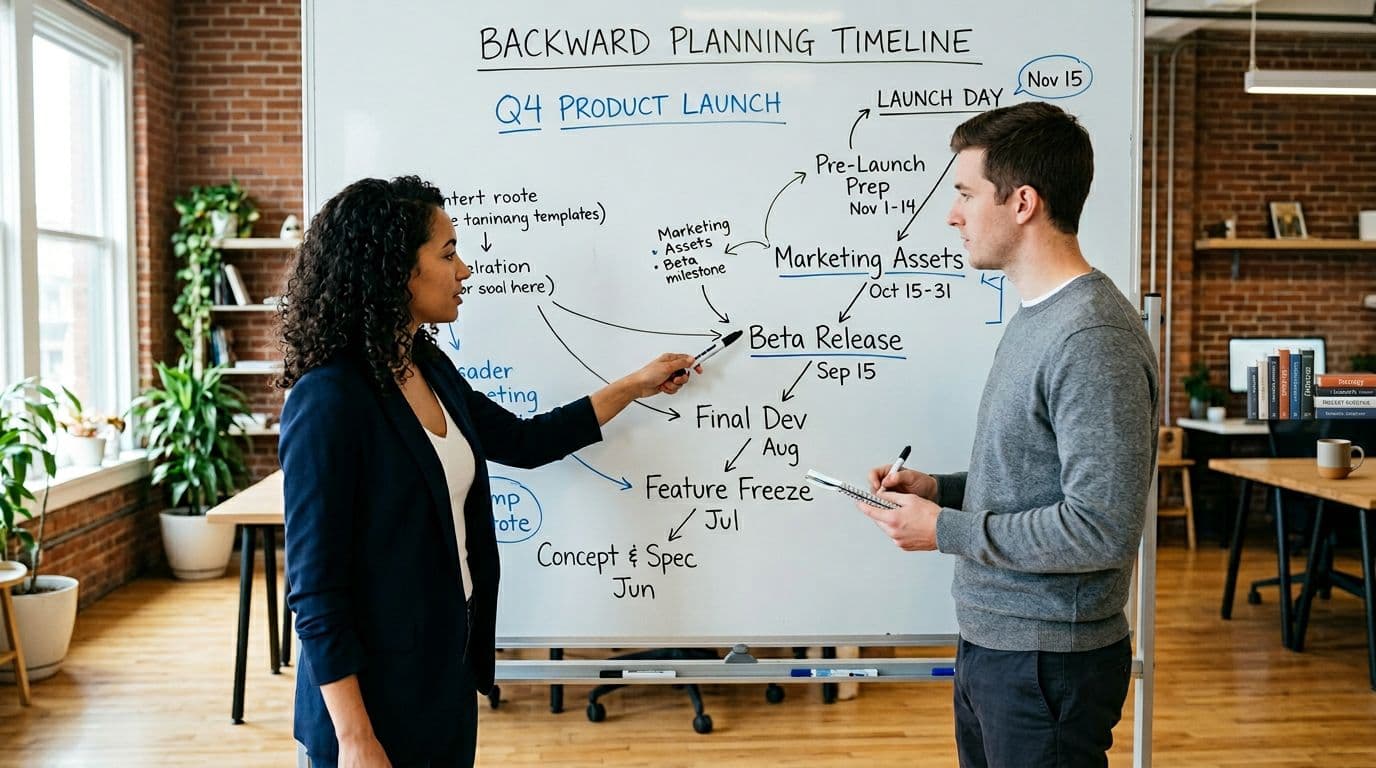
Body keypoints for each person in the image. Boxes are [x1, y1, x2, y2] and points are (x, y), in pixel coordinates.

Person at [277, 176, 698, 768]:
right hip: (369, 707)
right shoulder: (329, 399)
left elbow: (525, 441)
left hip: (442, 678)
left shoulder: (427, 366)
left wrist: (634, 385)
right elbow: (316, 591)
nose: (465, 270)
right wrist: (354, 739)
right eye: (447, 254)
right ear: (395, 269)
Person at [854, 102, 1158, 768]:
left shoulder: (1091, 337)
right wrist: (939, 491)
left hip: (1046, 664)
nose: (952, 214)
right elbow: (1030, 479)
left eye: (965, 194)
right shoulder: (1038, 318)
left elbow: (1100, 529)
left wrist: (945, 530)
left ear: (1022, 202)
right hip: (999, 647)